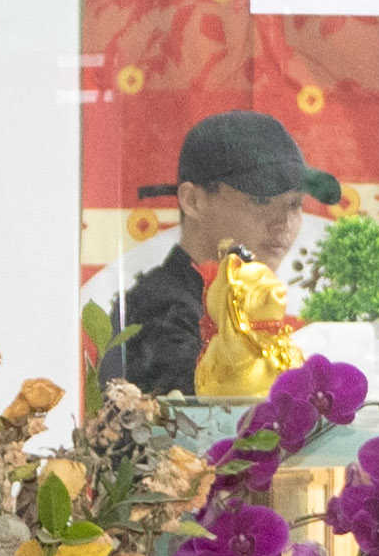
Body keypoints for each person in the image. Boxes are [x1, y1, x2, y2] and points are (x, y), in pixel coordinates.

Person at [92, 108, 342, 401]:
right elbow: (213, 411)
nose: (284, 223)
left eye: (294, 204)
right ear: (193, 200)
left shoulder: (238, 304)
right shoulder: (157, 313)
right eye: (261, 200)